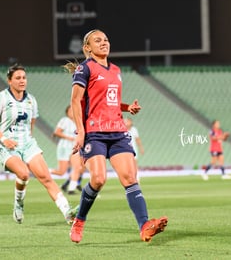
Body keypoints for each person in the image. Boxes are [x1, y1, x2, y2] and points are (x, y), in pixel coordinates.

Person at [65, 29, 168, 243]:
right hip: (95, 132)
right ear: (87, 48)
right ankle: (80, 219)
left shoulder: (116, 70)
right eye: (97, 40)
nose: (104, 43)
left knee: (130, 178)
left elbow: (109, 101)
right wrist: (81, 132)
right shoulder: (85, 69)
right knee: (98, 179)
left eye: (106, 40)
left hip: (118, 131)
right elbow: (76, 101)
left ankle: (145, 226)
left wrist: (127, 107)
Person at [0, 63, 78, 225]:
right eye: (17, 78)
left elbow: (31, 126)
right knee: (23, 173)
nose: (22, 81)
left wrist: (29, 144)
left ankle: (68, 213)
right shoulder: (2, 97)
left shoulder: (31, 101)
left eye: (24, 77)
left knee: (46, 178)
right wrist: (4, 140)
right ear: (9, 81)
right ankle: (19, 203)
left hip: (27, 144)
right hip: (7, 145)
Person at [50, 105, 85, 194]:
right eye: (70, 111)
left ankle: (71, 188)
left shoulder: (79, 122)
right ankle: (45, 171)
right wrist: (68, 137)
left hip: (73, 147)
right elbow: (57, 132)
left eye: (73, 110)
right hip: (63, 147)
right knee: (62, 172)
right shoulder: (64, 120)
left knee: (77, 167)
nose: (72, 112)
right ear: (67, 113)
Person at [124, 117, 144, 181]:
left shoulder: (134, 129)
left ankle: (136, 178)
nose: (126, 122)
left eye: (128, 121)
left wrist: (141, 148)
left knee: (135, 164)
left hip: (133, 149)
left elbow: (137, 139)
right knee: (126, 165)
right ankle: (128, 178)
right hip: (124, 150)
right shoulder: (122, 130)